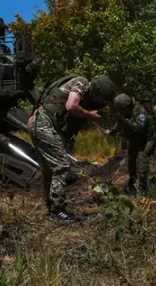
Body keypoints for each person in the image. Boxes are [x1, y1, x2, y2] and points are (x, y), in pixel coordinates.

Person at [27, 72, 116, 222]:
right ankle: (58, 211)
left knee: (49, 170)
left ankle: (50, 207)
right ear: (96, 91)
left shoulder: (84, 95)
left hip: (38, 124)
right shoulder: (81, 82)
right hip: (43, 124)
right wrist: (89, 114)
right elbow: (71, 106)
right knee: (61, 166)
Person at [109, 93, 156, 196]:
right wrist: (111, 131)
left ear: (127, 106)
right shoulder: (125, 112)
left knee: (141, 158)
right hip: (135, 141)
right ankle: (133, 181)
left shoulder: (141, 112)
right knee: (131, 158)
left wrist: (125, 120)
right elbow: (119, 124)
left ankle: (143, 188)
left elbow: (138, 128)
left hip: (146, 141)